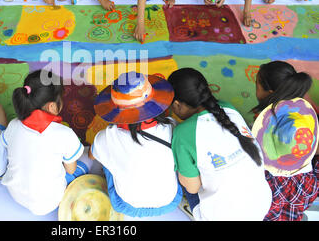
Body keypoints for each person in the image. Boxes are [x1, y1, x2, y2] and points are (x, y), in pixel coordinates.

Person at [167, 67, 272, 220]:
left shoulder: (182, 133)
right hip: (261, 205)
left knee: (183, 177)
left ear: (176, 104)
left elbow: (192, 187)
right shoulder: (227, 107)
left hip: (220, 215)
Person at [89, 71, 182, 217]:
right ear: (155, 102)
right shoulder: (172, 126)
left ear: (115, 109)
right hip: (170, 202)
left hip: (126, 205)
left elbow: (92, 155)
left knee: (105, 156)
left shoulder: (107, 136)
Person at [1, 70, 90, 215]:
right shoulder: (65, 134)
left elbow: (6, 144)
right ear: (52, 107)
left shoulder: (14, 124)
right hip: (49, 202)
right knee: (86, 158)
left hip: (16, 194)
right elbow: (71, 170)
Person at [251, 61, 319, 221]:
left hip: (274, 188)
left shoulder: (264, 122)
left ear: (270, 91)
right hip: (305, 186)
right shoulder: (302, 114)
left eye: (257, 85)